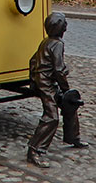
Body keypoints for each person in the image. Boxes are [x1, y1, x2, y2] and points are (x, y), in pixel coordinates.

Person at [27, 12, 88, 168]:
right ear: (61, 28)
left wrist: (33, 80)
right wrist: (66, 90)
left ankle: (73, 137)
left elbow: (33, 61)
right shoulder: (57, 44)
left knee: (70, 105)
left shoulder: (46, 42)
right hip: (47, 83)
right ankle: (34, 150)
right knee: (52, 116)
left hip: (44, 81)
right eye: (65, 24)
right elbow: (59, 70)